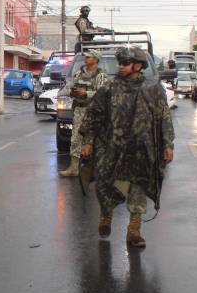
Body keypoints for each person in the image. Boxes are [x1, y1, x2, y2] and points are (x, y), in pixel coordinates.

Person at [79, 46, 174, 249]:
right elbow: (94, 113)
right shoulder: (110, 86)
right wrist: (87, 141)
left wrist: (168, 144)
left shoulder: (152, 89)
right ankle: (106, 214)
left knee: (138, 187)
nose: (120, 67)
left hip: (141, 148)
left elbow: (164, 116)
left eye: (125, 63)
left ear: (138, 66)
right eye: (119, 63)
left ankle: (134, 231)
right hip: (111, 146)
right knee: (105, 183)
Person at [58, 48, 109, 178]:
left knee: (94, 140)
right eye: (86, 57)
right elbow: (69, 87)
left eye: (89, 57)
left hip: (93, 111)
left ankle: (95, 169)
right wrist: (72, 92)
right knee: (76, 138)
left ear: (96, 59)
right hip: (79, 110)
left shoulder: (101, 76)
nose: (86, 58)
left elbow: (102, 93)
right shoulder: (79, 73)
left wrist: (86, 93)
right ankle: (74, 167)